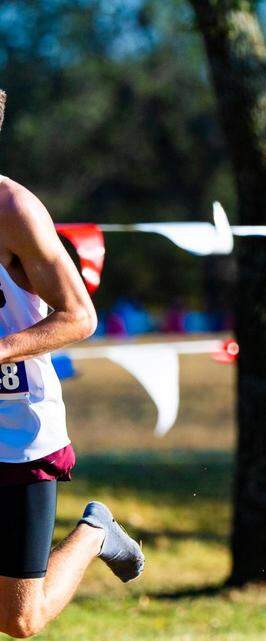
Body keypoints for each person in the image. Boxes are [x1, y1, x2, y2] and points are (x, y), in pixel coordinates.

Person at [0, 89, 145, 639]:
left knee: (19, 619)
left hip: (18, 431)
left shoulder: (13, 209)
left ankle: (93, 532)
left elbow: (78, 316)